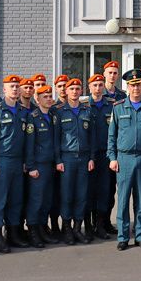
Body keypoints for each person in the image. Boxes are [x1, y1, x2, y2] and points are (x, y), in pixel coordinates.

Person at [108, 69, 141, 250]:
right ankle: (123, 237)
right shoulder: (118, 107)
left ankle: (140, 235)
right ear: (128, 87)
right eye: (132, 85)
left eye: (138, 84)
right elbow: (112, 136)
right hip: (124, 158)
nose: (136, 88)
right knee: (123, 200)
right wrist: (112, 157)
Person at [0, 74, 31, 251]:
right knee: (0, 200)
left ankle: (12, 234)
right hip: (2, 160)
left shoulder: (23, 111)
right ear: (4, 89)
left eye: (17, 86)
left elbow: (26, 139)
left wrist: (26, 161)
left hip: (18, 162)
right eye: (11, 86)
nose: (15, 89)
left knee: (16, 199)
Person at [51, 78, 97, 245]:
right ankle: (67, 229)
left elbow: (92, 137)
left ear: (81, 91)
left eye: (78, 89)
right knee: (67, 195)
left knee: (81, 194)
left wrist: (92, 158)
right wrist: (58, 159)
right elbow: (56, 138)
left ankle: (78, 228)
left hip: (84, 158)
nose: (75, 91)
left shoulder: (87, 111)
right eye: (72, 89)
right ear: (67, 91)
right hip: (67, 159)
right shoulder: (59, 111)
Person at [25, 85, 58, 247]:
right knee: (36, 200)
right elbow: (29, 145)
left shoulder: (53, 116)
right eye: (45, 96)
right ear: (37, 99)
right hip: (38, 166)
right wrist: (31, 167)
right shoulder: (33, 117)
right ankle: (33, 231)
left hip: (50, 165)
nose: (49, 99)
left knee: (47, 200)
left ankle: (43, 228)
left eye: (50, 96)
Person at [87, 74, 116, 240]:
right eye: (95, 85)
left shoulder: (111, 105)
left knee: (105, 190)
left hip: (106, 154)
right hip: (89, 156)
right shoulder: (84, 106)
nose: (98, 88)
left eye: (100, 85)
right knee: (89, 190)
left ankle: (101, 224)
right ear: (89, 87)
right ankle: (89, 225)